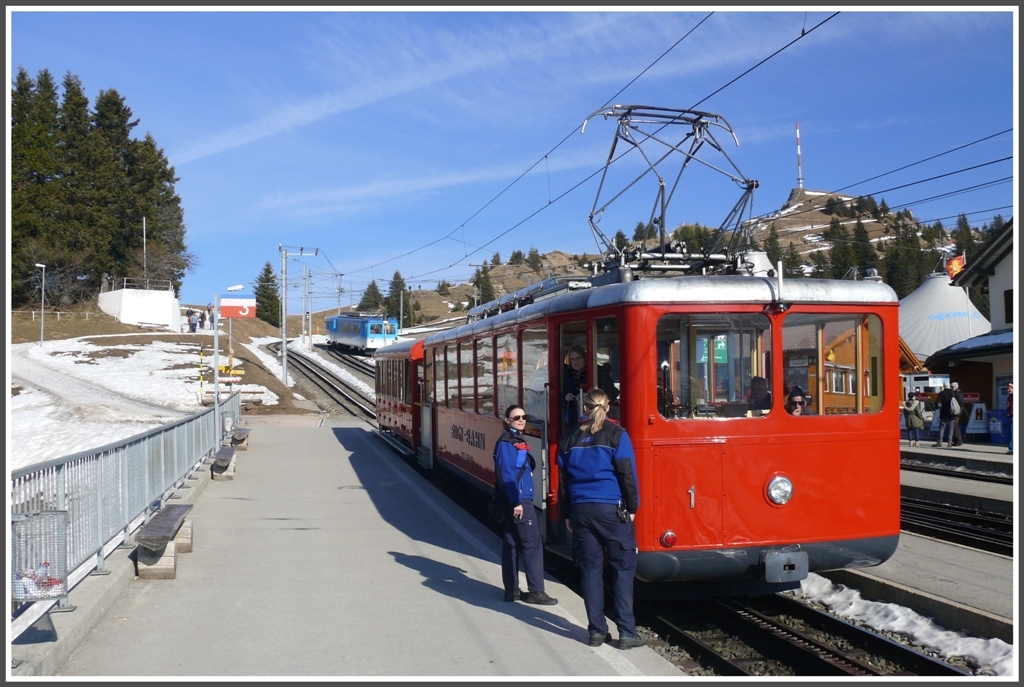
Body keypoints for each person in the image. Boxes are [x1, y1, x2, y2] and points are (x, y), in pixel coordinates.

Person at [558, 388, 645, 650]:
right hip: (611, 510)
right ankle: (627, 633)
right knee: (622, 568)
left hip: (582, 511)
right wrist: (632, 507)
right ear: (608, 408)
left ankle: (596, 631)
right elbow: (626, 474)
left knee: (591, 570)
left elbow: (563, 481)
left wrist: (567, 514)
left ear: (584, 408)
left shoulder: (569, 438)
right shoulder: (617, 435)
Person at [493, 404, 556, 606]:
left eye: (523, 416)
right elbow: (507, 475)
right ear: (507, 421)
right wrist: (516, 502)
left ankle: (511, 590)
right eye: (516, 417)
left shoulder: (515, 441)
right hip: (520, 501)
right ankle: (537, 591)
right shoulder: (506, 443)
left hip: (517, 500)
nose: (521, 420)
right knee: (532, 543)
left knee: (511, 543)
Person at [562, 345, 618, 426]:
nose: (575, 362)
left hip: (599, 417)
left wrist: (598, 400)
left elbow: (612, 392)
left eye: (578, 358)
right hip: (576, 419)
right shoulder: (568, 374)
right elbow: (562, 397)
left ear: (585, 358)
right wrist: (566, 397)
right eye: (572, 359)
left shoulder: (599, 372)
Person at [949, 381, 966, 447]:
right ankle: (956, 441)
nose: (951, 388)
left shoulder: (957, 394)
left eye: (952, 387)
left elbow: (960, 404)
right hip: (956, 412)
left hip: (956, 412)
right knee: (953, 426)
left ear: (955, 387)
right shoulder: (956, 393)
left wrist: (958, 410)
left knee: (955, 426)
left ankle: (959, 440)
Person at [1006, 382, 1014, 455]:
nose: (1009, 389)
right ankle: (1011, 449)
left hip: (1013, 416)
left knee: (1012, 433)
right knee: (1009, 433)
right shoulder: (1009, 397)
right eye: (1008, 388)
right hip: (1009, 416)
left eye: (1011, 388)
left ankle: (1012, 450)